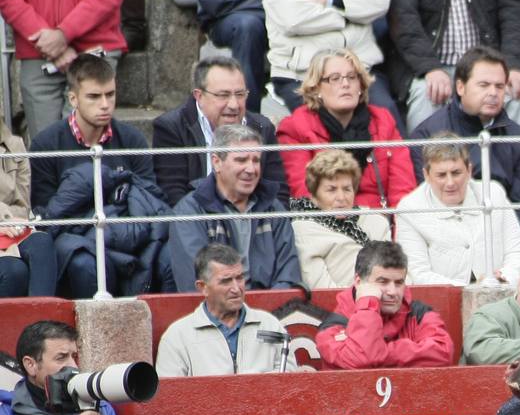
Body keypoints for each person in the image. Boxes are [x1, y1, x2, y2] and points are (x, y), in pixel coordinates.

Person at [384, 0, 520, 132]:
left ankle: (518, 158)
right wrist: (429, 68)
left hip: (487, 66)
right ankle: (425, 158)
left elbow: (513, 10)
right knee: (427, 92)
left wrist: (514, 65)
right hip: (432, 66)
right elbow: (404, 21)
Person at [408, 47, 520, 232]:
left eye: (500, 86)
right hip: (447, 241)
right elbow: (428, 203)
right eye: (484, 85)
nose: (493, 93)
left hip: (506, 240)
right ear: (460, 87)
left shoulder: (519, 139)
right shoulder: (426, 135)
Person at [261, 0, 404, 126]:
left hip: (358, 70)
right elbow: (291, 18)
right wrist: (349, 15)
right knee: (324, 128)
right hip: (302, 74)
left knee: (387, 116)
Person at [167, 124, 304, 292]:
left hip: (272, 312)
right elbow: (196, 284)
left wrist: (269, 310)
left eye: (256, 160)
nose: (251, 169)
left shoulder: (273, 207)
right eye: (241, 160)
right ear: (216, 162)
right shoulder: (189, 212)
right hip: (214, 313)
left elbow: (288, 274)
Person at [276, 50, 416, 210]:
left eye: (352, 77)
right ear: (317, 89)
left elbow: (403, 191)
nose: (345, 84)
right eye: (334, 78)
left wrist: (397, 231)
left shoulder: (383, 121)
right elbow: (304, 195)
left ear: (361, 86)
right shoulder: (295, 128)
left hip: (381, 223)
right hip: (327, 225)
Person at [0, 0, 125, 138]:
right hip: (39, 50)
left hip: (93, 47)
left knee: (86, 144)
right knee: (44, 145)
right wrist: (53, 44)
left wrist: (64, 33)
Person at [29, 55, 159, 220]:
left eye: (110, 94)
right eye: (94, 96)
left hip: (127, 236)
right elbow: (45, 213)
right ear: (73, 99)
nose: (105, 104)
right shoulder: (45, 145)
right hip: (69, 238)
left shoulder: (132, 139)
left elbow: (149, 201)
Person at [152, 58, 288, 206]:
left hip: (254, 222)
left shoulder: (262, 128)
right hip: (198, 223)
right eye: (223, 95)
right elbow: (173, 196)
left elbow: (278, 192)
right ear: (199, 96)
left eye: (240, 94)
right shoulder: (172, 128)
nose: (234, 105)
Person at [395, 141, 520, 286]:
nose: (450, 182)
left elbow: (518, 254)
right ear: (426, 175)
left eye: (456, 173)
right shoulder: (409, 209)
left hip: (498, 294)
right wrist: (471, 289)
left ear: (469, 170)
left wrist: (504, 277)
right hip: (442, 302)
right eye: (441, 175)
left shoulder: (493, 194)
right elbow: (418, 274)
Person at [156, 244, 300, 376]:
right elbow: (171, 397)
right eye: (226, 281)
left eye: (240, 278)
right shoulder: (177, 337)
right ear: (203, 287)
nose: (236, 289)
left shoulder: (270, 324)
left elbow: (290, 383)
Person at [316, 241, 455, 370]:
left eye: (399, 282)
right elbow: (362, 359)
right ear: (359, 282)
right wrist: (368, 303)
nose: (393, 291)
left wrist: (380, 352)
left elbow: (443, 352)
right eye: (383, 282)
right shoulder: (332, 327)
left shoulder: (420, 314)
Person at [0, 321, 132, 415]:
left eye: (74, 356)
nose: (73, 366)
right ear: (31, 365)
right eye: (61, 358)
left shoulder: (99, 407)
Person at [291, 149, 391, 290]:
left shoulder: (376, 222)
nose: (341, 197)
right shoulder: (303, 228)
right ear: (314, 195)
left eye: (347, 189)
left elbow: (394, 273)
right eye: (331, 189)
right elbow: (322, 290)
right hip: (339, 306)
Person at [186, 0, 268, 113]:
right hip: (229, 13)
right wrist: (271, 7)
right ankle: (247, 120)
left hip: (284, 9)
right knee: (248, 27)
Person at [0, 122, 59, 297]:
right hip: (6, 225)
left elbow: (23, 207)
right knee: (14, 271)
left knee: (41, 242)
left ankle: (43, 323)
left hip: (12, 229)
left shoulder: (15, 145)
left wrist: (6, 220)